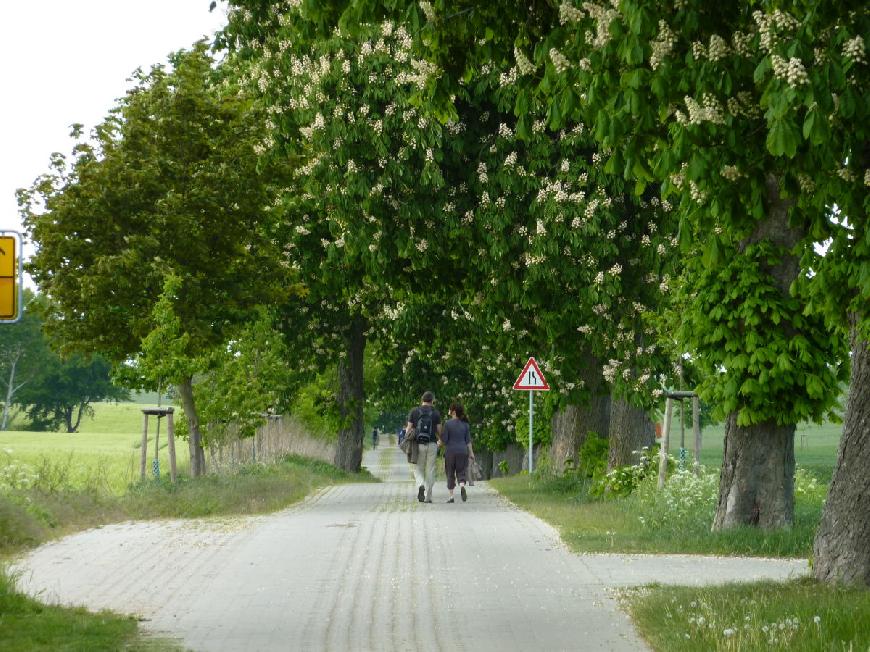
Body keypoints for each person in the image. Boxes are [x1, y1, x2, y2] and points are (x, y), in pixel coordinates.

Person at [406, 391, 442, 503]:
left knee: (418, 469)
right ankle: (428, 497)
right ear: (432, 401)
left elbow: (408, 429)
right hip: (432, 444)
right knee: (430, 470)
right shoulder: (436, 413)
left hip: (418, 445)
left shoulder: (414, 411)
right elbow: (439, 430)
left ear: (422, 400)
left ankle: (421, 484)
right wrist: (440, 440)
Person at [442, 402, 474, 503]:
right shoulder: (465, 425)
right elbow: (468, 441)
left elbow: (445, 440)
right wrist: (471, 453)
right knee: (461, 471)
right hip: (463, 451)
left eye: (450, 409)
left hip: (450, 451)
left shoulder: (447, 424)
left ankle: (451, 497)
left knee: (450, 472)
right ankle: (462, 486)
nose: (448, 410)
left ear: (454, 412)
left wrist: (439, 442)